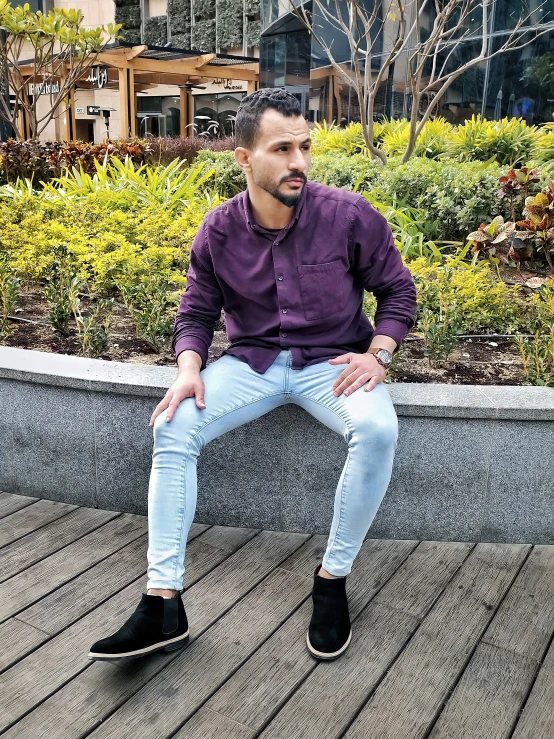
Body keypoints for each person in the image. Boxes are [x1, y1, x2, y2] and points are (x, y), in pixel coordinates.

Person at [88, 88, 417, 664]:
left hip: (332, 366)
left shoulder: (347, 215)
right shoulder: (219, 230)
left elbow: (397, 290)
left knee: (379, 431)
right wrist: (190, 367)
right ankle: (163, 601)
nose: (299, 162)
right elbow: (195, 312)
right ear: (243, 158)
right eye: (282, 148)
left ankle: (332, 578)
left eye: (305, 147)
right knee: (173, 426)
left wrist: (379, 353)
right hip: (252, 365)